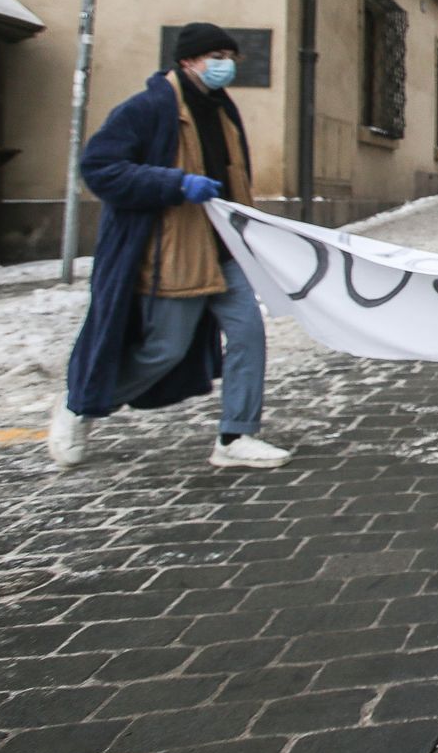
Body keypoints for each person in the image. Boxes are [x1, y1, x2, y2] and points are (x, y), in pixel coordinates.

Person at [47, 23, 289, 470]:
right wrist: (174, 183)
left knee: (248, 336)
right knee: (165, 350)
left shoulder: (221, 111)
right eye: (215, 55)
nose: (226, 64)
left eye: (230, 56)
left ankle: (235, 435)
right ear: (188, 60)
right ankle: (81, 405)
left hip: (224, 248)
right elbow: (99, 168)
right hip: (175, 252)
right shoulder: (147, 109)